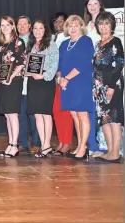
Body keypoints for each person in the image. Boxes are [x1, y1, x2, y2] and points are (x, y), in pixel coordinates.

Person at [57, 15, 93, 160]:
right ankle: (79, 145)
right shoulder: (64, 44)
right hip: (66, 84)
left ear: (81, 27)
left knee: (82, 115)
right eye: (70, 25)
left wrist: (67, 78)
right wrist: (60, 78)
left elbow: (83, 63)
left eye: (76, 25)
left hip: (80, 82)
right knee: (74, 114)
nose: (73, 28)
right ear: (66, 28)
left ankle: (83, 147)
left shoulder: (85, 41)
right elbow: (59, 65)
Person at [93, 11, 124, 163]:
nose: (103, 27)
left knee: (114, 118)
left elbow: (119, 64)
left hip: (113, 85)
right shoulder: (98, 44)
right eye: (101, 23)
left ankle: (116, 153)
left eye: (106, 24)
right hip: (99, 86)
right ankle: (110, 151)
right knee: (104, 119)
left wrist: (111, 87)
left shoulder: (115, 41)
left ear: (112, 25)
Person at [26, 20, 59, 158]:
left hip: (45, 82)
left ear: (45, 30)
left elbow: (54, 65)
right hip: (33, 83)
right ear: (32, 30)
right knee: (37, 114)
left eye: (41, 28)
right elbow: (28, 64)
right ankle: (42, 144)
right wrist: (27, 72)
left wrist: (44, 75)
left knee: (45, 114)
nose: (38, 30)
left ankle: (47, 145)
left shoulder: (51, 45)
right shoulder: (31, 46)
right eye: (35, 28)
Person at [0, 16, 26, 158]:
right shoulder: (2, 45)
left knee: (13, 114)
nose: (5, 27)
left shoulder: (18, 42)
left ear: (13, 26)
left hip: (14, 82)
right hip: (3, 83)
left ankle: (15, 145)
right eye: (2, 25)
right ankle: (10, 143)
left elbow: (21, 63)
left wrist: (11, 77)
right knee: (7, 115)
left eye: (8, 25)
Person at [84, 0, 106, 157]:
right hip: (87, 71)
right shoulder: (86, 25)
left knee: (102, 108)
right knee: (89, 108)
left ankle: (103, 145)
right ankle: (91, 143)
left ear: (100, 5)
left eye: (95, 3)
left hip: (101, 72)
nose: (92, 6)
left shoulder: (105, 23)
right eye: (90, 4)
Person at [50, 12, 73, 156]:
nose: (58, 23)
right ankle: (61, 141)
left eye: (61, 21)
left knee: (66, 112)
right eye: (55, 21)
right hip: (54, 79)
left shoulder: (69, 39)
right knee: (56, 112)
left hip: (66, 80)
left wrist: (64, 77)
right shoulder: (51, 38)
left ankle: (67, 142)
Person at [16, 16, 40, 154]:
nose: (22, 26)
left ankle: (36, 142)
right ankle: (22, 142)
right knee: (20, 114)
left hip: (33, 83)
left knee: (34, 114)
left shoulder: (35, 41)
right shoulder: (14, 42)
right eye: (20, 24)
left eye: (25, 24)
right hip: (18, 84)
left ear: (30, 26)